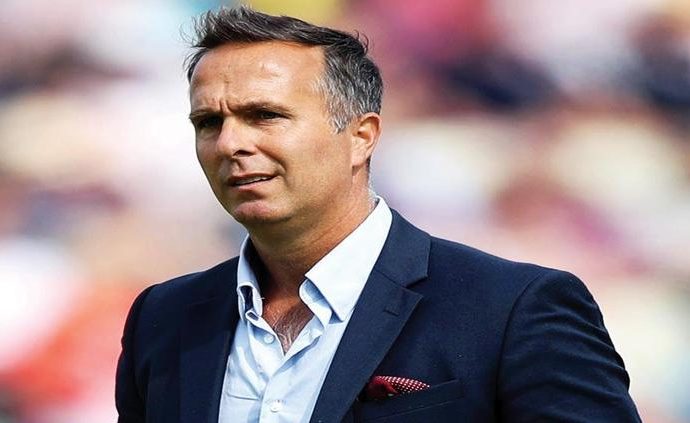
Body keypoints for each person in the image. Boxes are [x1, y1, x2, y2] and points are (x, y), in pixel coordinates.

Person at [115, 7, 641, 423]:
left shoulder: (512, 309)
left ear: (361, 137)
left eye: (265, 115)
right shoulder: (163, 318)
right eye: (208, 123)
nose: (230, 143)